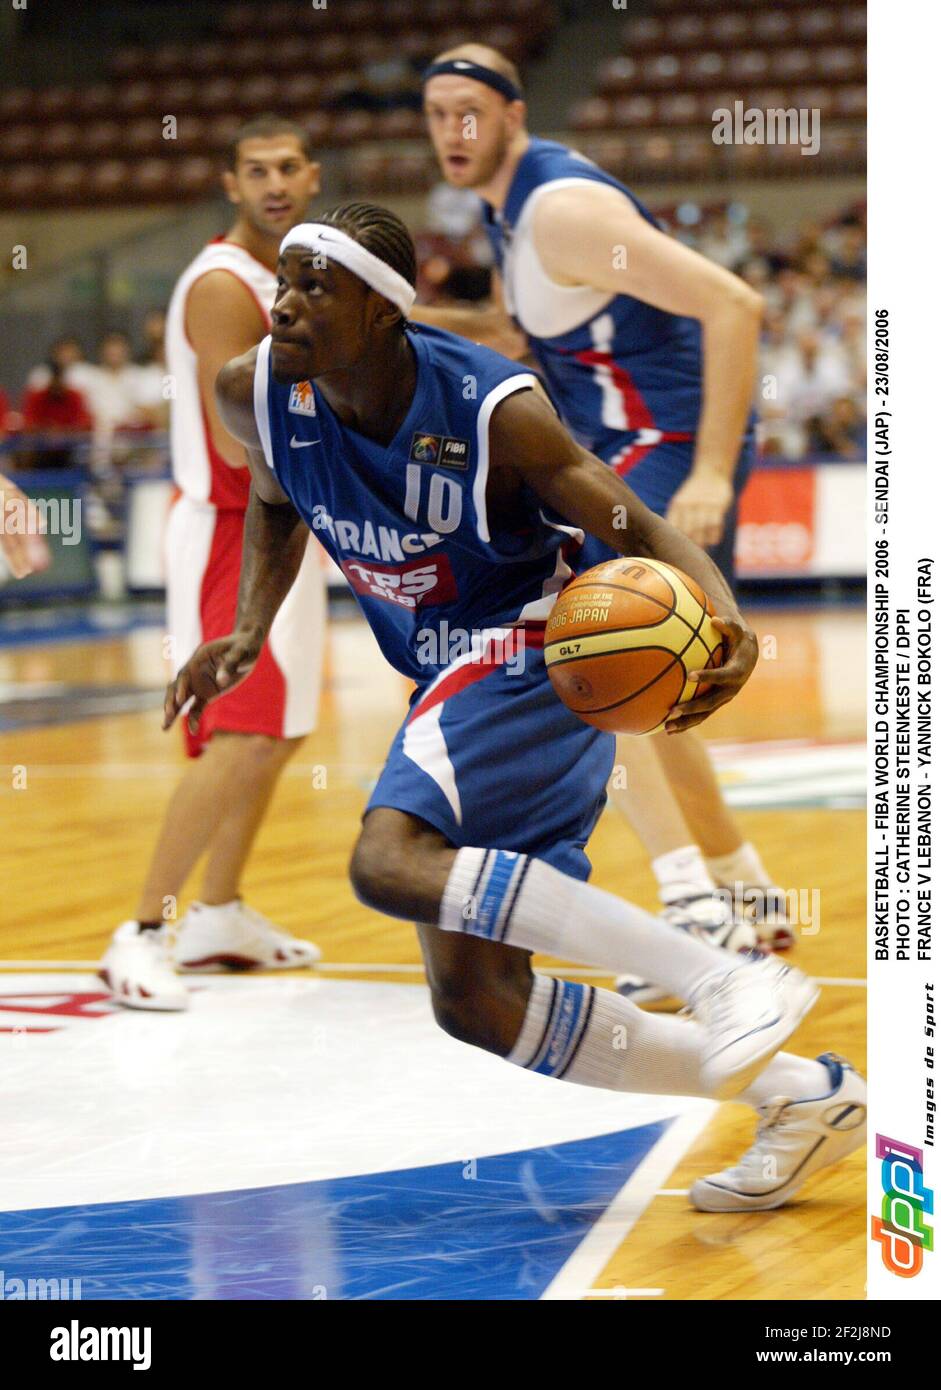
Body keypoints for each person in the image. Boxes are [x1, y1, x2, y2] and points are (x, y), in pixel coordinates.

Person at [163, 204, 866, 1211]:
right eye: (283, 278)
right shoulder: (256, 392)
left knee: (383, 860)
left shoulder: (491, 406)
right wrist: (244, 632)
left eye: (316, 285)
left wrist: (724, 614)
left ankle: (722, 975)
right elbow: (278, 501)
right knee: (477, 1001)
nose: (284, 301)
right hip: (443, 672)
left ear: (381, 307)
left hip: (540, 637)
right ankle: (808, 1098)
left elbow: (623, 514)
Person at [418, 46, 795, 1005]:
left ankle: (690, 908)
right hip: (627, 449)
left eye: (470, 110)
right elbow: (513, 338)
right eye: (435, 114)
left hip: (661, 445)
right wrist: (390, 319)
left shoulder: (563, 212)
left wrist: (709, 467)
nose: (452, 131)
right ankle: (746, 896)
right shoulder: (512, 218)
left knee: (590, 659)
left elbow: (733, 303)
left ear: (511, 112)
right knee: (659, 684)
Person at [100, 116, 325, 1011]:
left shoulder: (289, 278)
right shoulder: (225, 286)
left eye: (287, 168)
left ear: (311, 179)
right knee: (238, 733)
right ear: (230, 185)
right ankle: (142, 931)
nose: (273, 183)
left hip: (280, 526)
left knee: (284, 730)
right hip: (235, 528)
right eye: (254, 170)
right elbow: (243, 452)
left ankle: (219, 914)